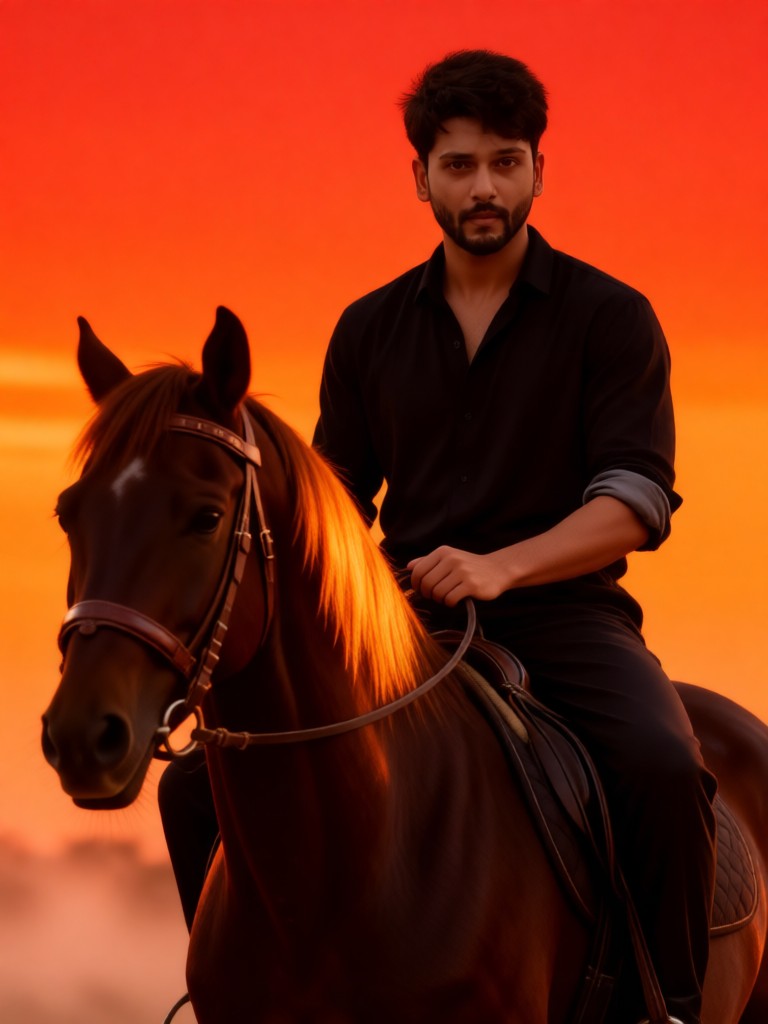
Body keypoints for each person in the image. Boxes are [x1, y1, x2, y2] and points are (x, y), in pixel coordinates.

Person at [311, 50, 716, 1024]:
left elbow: (635, 500)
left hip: (567, 618)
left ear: (540, 166)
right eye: (458, 165)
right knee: (205, 781)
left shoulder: (610, 318)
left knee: (664, 769)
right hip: (404, 631)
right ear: (420, 178)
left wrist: (502, 566)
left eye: (505, 160)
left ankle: (680, 1006)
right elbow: (334, 507)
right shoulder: (366, 331)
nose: (483, 186)